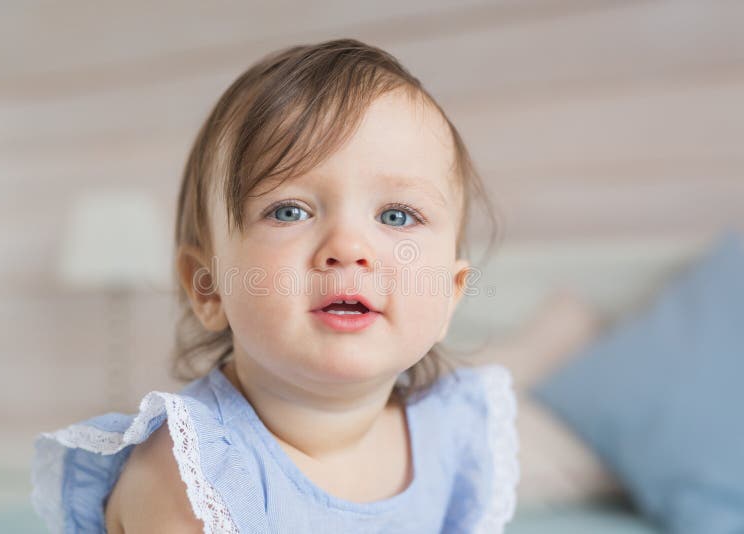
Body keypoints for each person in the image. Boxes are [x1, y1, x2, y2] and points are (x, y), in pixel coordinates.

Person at [30, 38, 519, 533]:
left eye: (397, 215)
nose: (348, 247)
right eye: (289, 211)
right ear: (208, 288)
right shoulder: (194, 479)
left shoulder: (453, 436)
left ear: (450, 294)